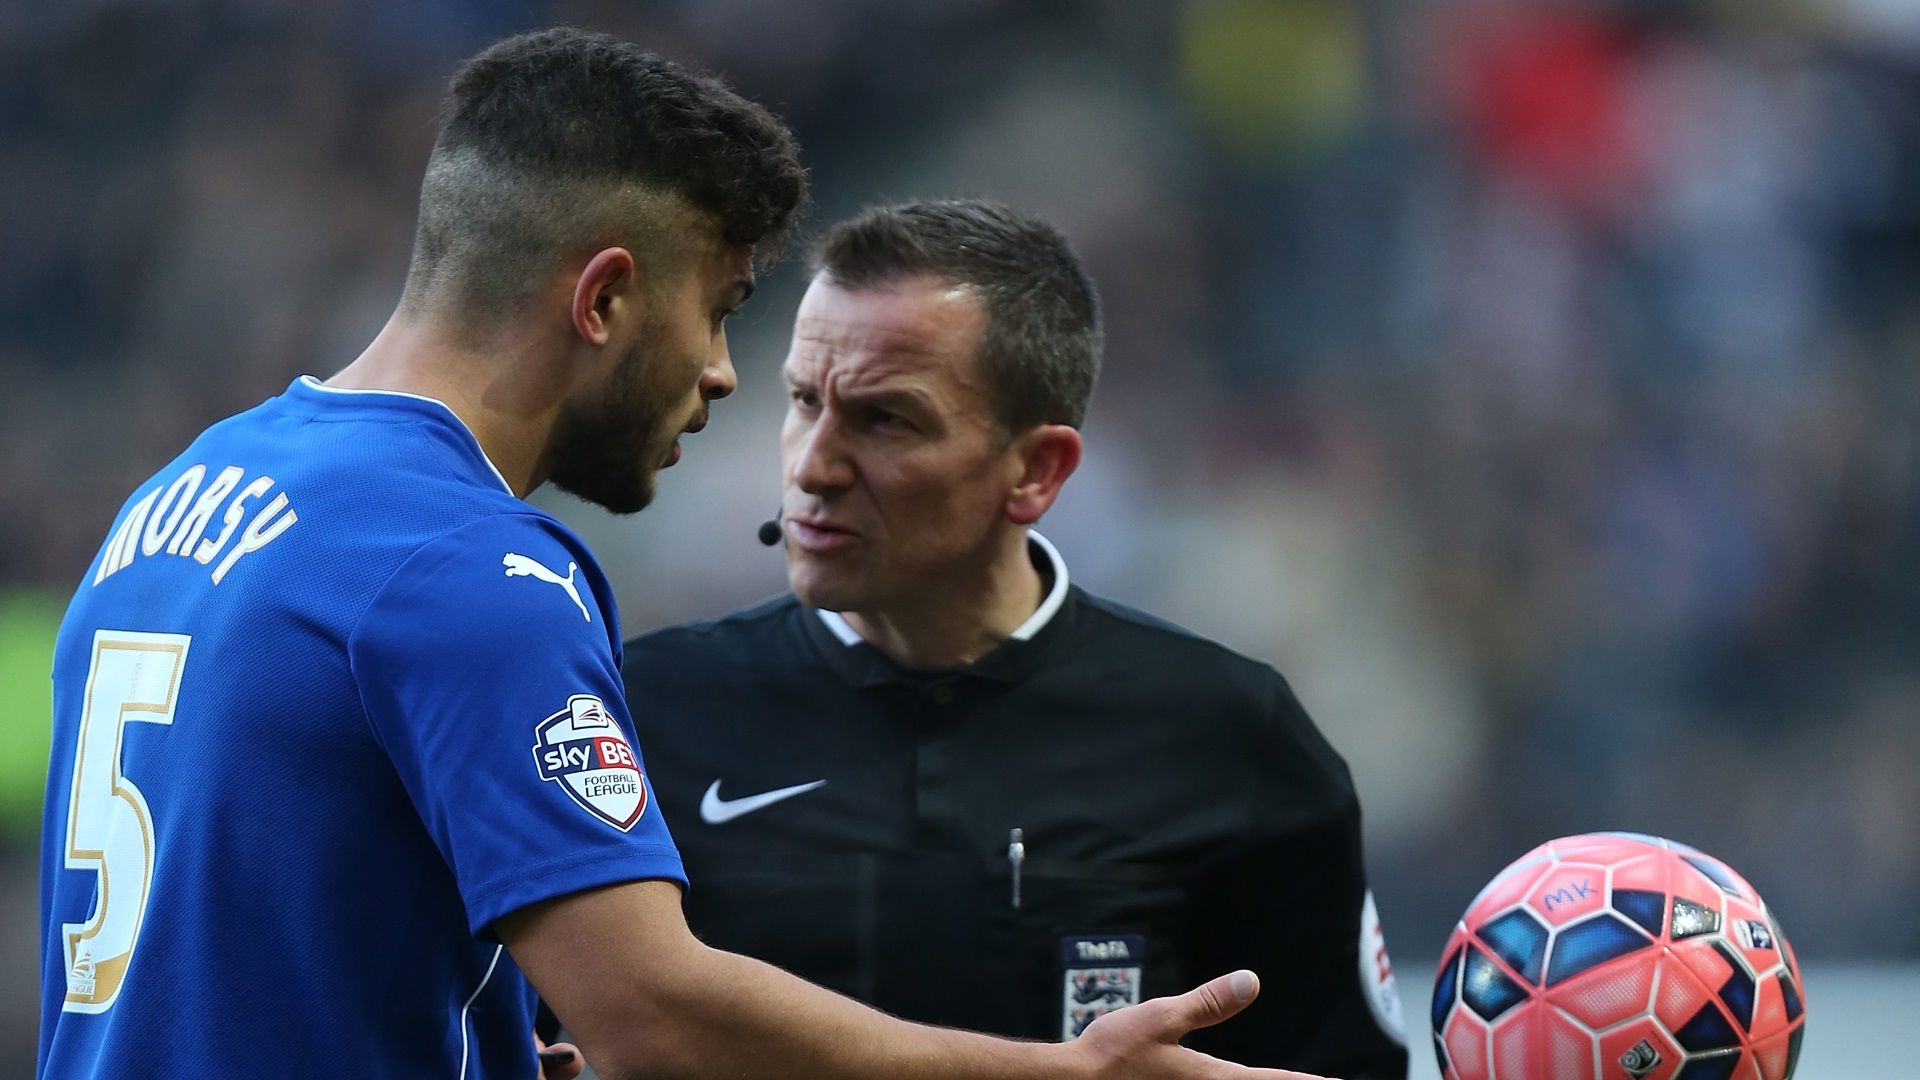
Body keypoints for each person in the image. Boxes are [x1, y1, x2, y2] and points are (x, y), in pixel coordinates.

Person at [38, 29, 1333, 1080]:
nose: (723, 373)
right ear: (604, 298)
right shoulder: (466, 570)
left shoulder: (186, 492)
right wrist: (1057, 1074)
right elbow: (651, 1015)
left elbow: (255, 930)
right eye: (718, 310)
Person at [621, 200, 1410, 1079]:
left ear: (1036, 470)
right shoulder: (643, 714)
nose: (812, 465)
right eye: (804, 401)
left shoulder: (1233, 737)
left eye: (887, 420)